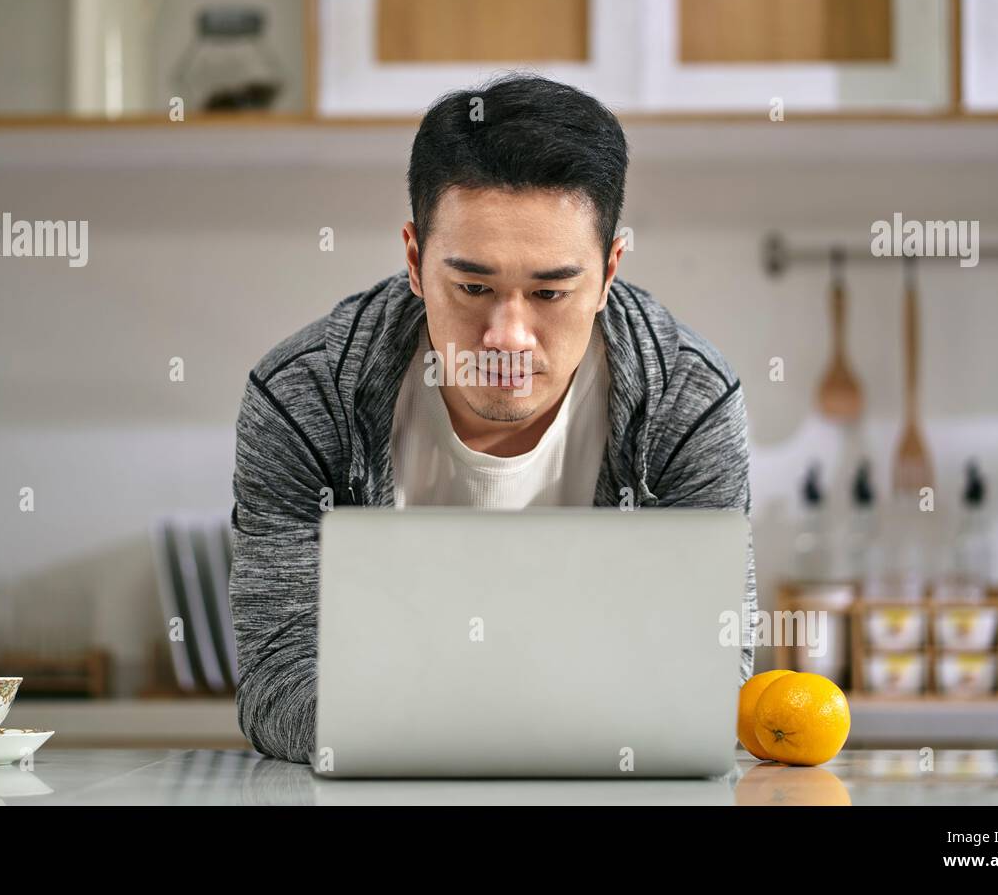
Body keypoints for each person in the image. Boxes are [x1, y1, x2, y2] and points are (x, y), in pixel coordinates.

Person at [230, 72, 755, 763]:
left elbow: (709, 677)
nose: (507, 335)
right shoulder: (306, 399)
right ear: (415, 260)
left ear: (609, 271)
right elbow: (280, 680)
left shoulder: (686, 402)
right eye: (473, 287)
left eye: (549, 291)